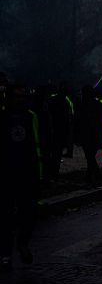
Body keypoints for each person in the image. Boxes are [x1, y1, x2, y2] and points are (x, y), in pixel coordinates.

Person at [1, 84, 42, 271]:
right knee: (5, 216)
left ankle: (23, 242)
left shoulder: (31, 117)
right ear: (8, 98)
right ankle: (5, 252)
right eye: (16, 97)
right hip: (6, 173)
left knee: (28, 213)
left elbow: (42, 142)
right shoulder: (2, 118)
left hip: (28, 172)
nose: (20, 100)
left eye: (22, 97)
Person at [75, 85, 102, 186]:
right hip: (96, 134)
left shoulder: (81, 105)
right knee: (90, 156)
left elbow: (78, 122)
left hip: (85, 134)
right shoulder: (97, 104)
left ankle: (96, 176)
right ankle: (90, 176)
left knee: (89, 157)